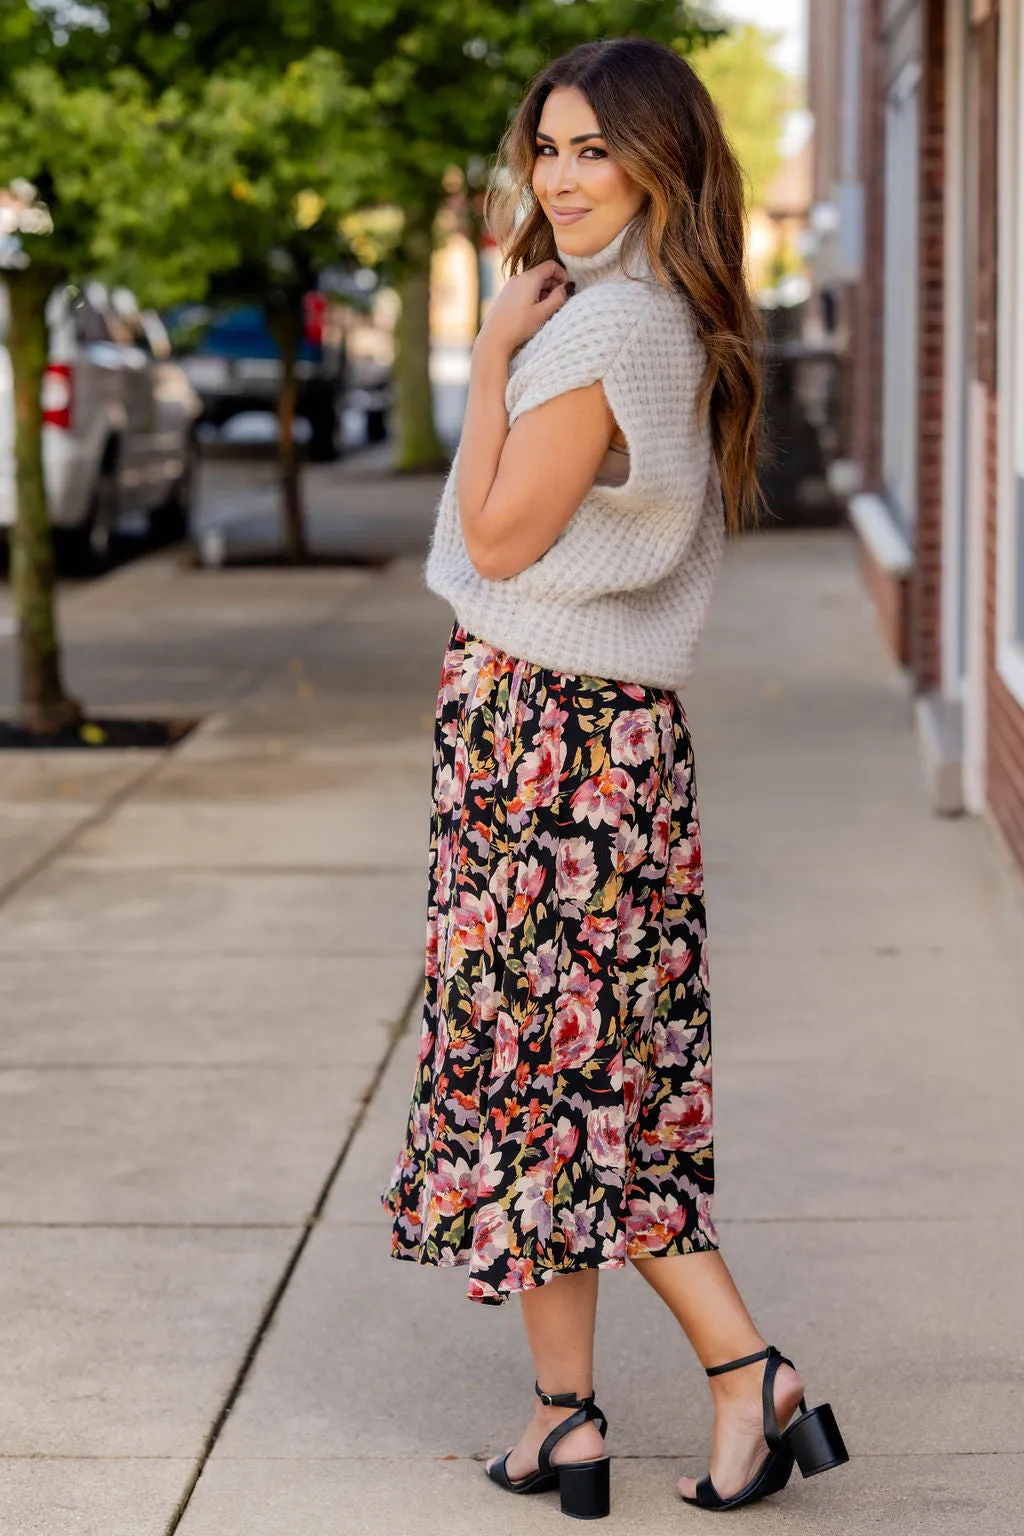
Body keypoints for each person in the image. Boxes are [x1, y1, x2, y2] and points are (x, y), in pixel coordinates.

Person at [383, 36, 847, 1520]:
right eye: (549, 146)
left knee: (566, 1093)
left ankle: (746, 1371)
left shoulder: (595, 335)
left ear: (661, 160)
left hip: (550, 746)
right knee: (569, 1086)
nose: (563, 177)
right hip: (595, 740)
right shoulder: (662, 315)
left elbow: (503, 541)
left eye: (596, 148)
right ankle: (562, 1417)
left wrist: (490, 367)